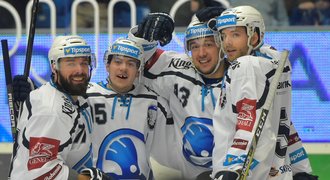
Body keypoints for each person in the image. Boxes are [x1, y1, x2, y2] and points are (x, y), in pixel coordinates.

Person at [209, 5, 318, 179]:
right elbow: (283, 122)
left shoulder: (244, 66)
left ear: (254, 36)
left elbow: (247, 123)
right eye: (223, 35)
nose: (227, 42)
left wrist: (233, 167)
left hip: (239, 171)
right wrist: (300, 168)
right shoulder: (273, 60)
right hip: (278, 173)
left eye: (235, 34)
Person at [128, 12, 226, 179]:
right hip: (181, 169)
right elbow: (134, 59)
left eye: (208, 44)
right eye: (194, 46)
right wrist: (142, 35)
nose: (201, 53)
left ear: (222, 45)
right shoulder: (179, 67)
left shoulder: (242, 75)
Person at [9, 35, 110, 179]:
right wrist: (87, 178)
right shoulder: (51, 112)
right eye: (71, 63)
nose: (80, 70)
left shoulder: (70, 95)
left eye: (84, 63)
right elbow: (41, 173)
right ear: (54, 66)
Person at [85, 37, 172, 179]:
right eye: (118, 62)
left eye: (131, 64)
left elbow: (167, 150)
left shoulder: (153, 101)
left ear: (138, 71)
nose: (123, 68)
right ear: (107, 65)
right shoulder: (86, 97)